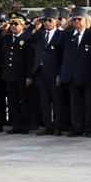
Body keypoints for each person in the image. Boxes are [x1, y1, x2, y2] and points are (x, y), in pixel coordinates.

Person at [59, 7, 91, 138]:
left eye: (79, 19)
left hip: (87, 76)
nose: (77, 22)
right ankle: (76, 127)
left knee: (89, 104)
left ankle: (89, 127)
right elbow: (56, 42)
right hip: (72, 76)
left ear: (85, 20)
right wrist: (64, 25)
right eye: (74, 19)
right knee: (75, 103)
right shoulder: (67, 35)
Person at [31, 8, 66, 136]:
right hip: (40, 72)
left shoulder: (61, 35)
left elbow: (64, 56)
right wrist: (35, 24)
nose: (47, 23)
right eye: (45, 20)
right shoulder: (40, 34)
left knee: (56, 101)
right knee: (44, 101)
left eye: (49, 20)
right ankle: (47, 126)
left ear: (56, 21)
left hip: (54, 73)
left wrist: (60, 73)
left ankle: (58, 126)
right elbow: (26, 37)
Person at [0, 13, 33, 134]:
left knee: (24, 101)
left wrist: (29, 76)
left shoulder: (27, 39)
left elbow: (29, 60)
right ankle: (15, 124)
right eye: (11, 23)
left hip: (22, 76)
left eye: (16, 24)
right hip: (9, 75)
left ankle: (24, 125)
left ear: (22, 25)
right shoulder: (7, 38)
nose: (13, 26)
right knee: (12, 101)